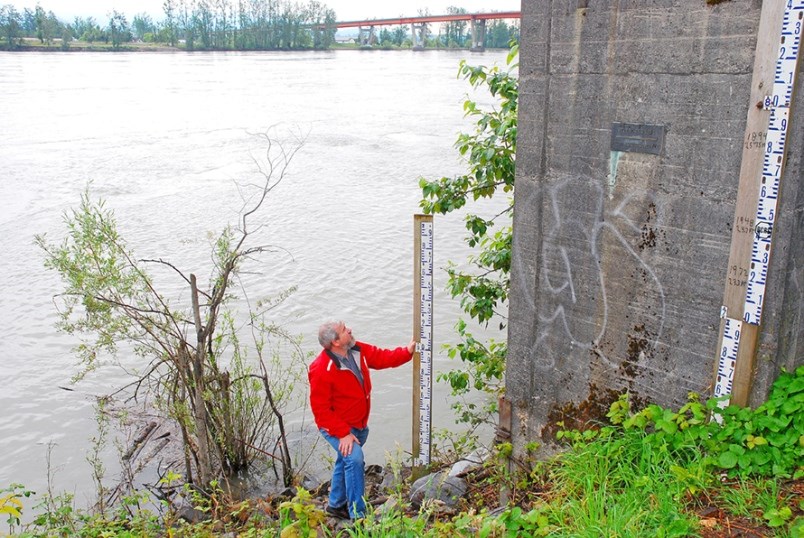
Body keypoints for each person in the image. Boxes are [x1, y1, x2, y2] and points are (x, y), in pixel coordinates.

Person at [308, 321, 415, 520]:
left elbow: (382, 357)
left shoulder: (356, 350)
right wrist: (343, 434)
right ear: (335, 342)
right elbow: (320, 410)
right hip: (335, 426)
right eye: (344, 330)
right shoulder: (322, 368)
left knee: (345, 460)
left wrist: (407, 352)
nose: (349, 330)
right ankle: (359, 515)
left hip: (358, 424)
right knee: (354, 458)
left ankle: (335, 505)